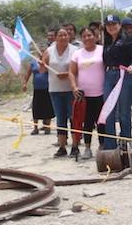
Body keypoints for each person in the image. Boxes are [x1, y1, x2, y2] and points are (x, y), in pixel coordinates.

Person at [101, 14, 132, 150]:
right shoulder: (106, 41)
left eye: (114, 24)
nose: (111, 27)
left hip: (124, 75)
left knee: (124, 111)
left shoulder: (128, 39)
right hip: (109, 75)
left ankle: (125, 141)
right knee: (108, 109)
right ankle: (110, 143)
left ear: (119, 25)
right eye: (108, 25)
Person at [69, 27, 105, 160]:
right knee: (87, 123)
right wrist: (74, 87)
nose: (87, 38)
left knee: (101, 122)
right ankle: (88, 148)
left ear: (95, 37)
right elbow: (71, 72)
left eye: (89, 35)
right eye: (84, 36)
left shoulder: (102, 50)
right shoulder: (77, 54)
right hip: (84, 95)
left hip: (101, 93)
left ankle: (102, 146)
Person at [43, 28, 78, 157]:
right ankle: (62, 146)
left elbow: (78, 68)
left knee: (74, 118)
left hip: (71, 90)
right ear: (56, 37)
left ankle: (75, 146)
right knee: (60, 119)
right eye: (60, 35)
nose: (63, 37)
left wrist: (67, 74)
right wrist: (42, 62)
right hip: (55, 90)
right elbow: (42, 70)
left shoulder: (75, 50)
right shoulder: (49, 51)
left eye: (65, 35)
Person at [23, 57, 53, 135]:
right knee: (36, 107)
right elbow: (28, 73)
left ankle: (47, 127)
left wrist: (45, 65)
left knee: (47, 107)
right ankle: (35, 128)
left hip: (47, 88)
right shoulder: (33, 62)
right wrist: (25, 83)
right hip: (37, 89)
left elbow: (53, 73)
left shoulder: (49, 62)